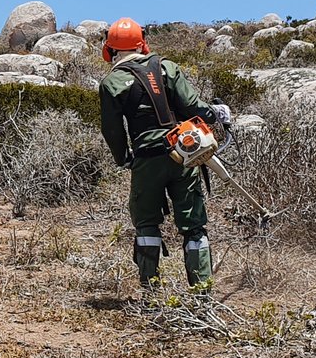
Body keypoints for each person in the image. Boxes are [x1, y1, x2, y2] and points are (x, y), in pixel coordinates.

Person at [98, 17, 231, 292]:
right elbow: (192, 105)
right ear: (142, 43)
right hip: (184, 154)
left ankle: (150, 296)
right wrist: (216, 114)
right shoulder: (166, 67)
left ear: (110, 49)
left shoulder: (112, 83)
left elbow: (112, 130)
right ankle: (202, 295)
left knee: (147, 225)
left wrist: (124, 159)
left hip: (146, 160)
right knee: (194, 227)